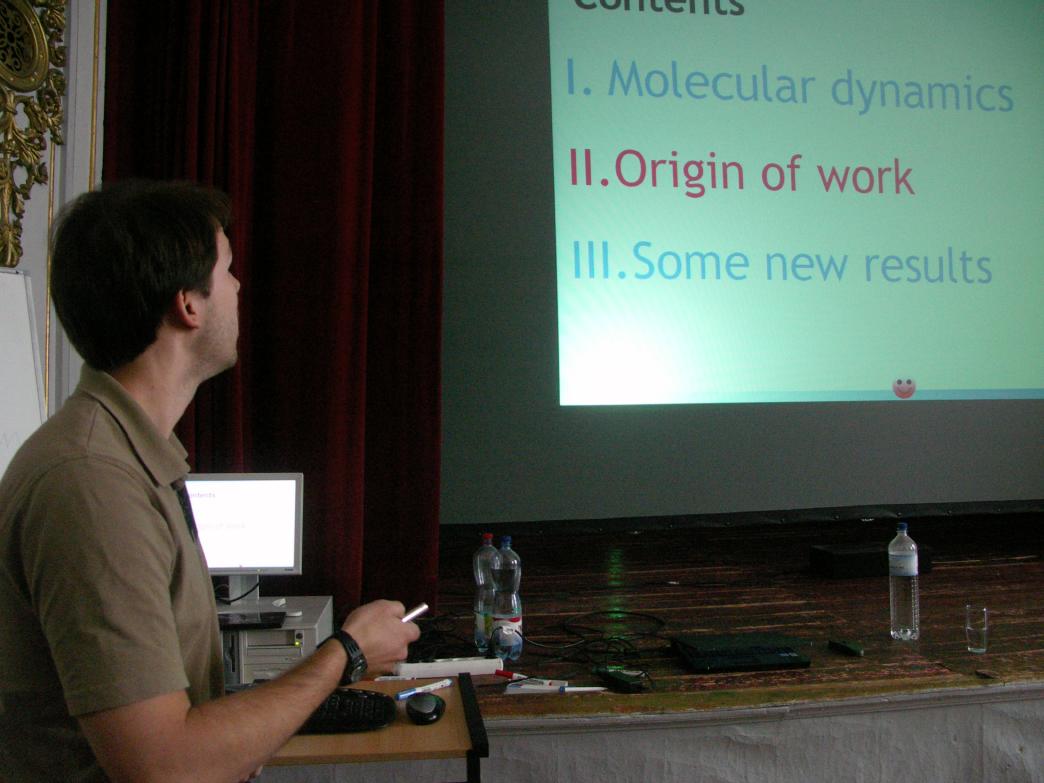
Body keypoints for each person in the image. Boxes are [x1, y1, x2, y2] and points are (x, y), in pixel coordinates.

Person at [0, 180, 420, 782]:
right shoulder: (93, 485)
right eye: (227, 269)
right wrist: (346, 654)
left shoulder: (127, 459)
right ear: (188, 306)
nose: (240, 286)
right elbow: (165, 765)